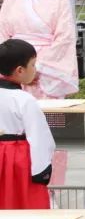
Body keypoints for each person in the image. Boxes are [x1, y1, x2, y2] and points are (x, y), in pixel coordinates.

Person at [0, 0, 78, 186]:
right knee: (13, 130)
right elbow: (3, 34)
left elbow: (65, 37)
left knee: (48, 131)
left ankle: (50, 184)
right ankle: (13, 180)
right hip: (14, 69)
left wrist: (35, 68)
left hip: (46, 73)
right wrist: (13, 66)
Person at [0, 39, 54, 209]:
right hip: (18, 161)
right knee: (23, 205)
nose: (35, 69)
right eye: (33, 64)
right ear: (20, 70)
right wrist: (42, 172)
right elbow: (39, 138)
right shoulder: (24, 100)